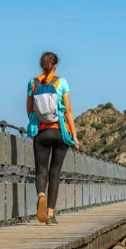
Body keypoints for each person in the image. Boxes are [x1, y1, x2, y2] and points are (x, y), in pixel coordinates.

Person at [26, 51, 80, 225]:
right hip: (59, 132)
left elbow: (29, 110)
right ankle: (50, 214)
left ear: (41, 65)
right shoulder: (62, 82)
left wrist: (38, 123)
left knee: (41, 170)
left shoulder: (32, 83)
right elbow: (69, 111)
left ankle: (41, 194)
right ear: (55, 65)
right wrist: (75, 136)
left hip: (41, 133)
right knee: (54, 173)